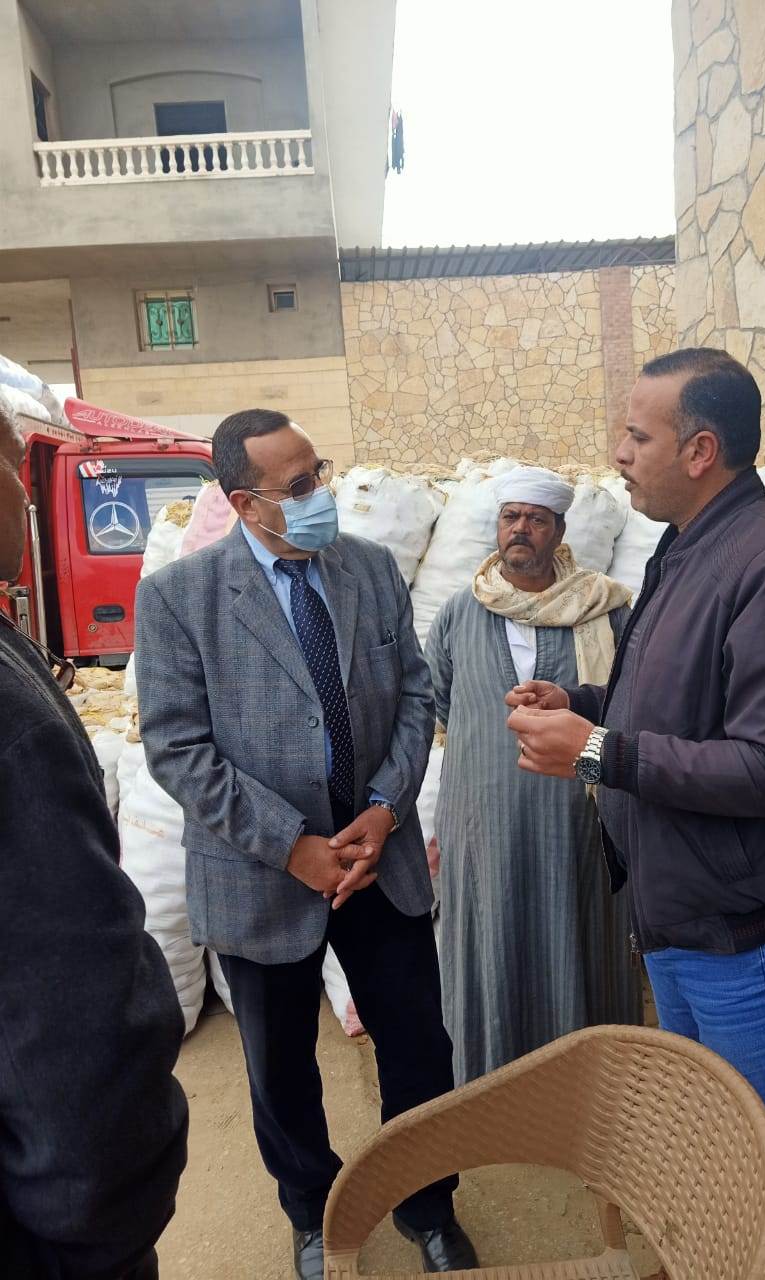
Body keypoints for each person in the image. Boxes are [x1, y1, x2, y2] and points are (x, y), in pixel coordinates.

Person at [505, 349, 765, 1280]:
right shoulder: (686, 545)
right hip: (679, 910)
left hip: (748, 931)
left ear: (701, 451)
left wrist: (595, 750)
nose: (619, 453)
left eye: (637, 435)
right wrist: (585, 704)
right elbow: (677, 706)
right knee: (718, 1137)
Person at [134, 409, 477, 1280]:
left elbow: (414, 695)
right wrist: (291, 846)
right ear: (244, 503)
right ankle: (315, 1215)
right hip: (262, 875)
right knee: (282, 1068)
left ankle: (429, 1205)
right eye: (297, 486)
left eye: (318, 472)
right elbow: (178, 748)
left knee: (417, 1046)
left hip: (378, 862)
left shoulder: (367, 567)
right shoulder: (180, 597)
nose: (320, 493)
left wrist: (385, 808)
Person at [0, 400, 188, 1278]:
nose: (25, 497)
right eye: (13, 470)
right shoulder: (11, 721)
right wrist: (106, 1222)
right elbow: (67, 1007)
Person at [426, 467, 639, 1084]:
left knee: (579, 940)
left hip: (576, 825)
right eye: (510, 517)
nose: (520, 529)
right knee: (491, 946)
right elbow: (443, 704)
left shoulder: (603, 609)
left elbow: (626, 704)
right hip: (483, 823)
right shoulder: (460, 612)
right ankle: (494, 1088)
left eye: (536, 519)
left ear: (559, 531)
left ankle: (585, 1087)